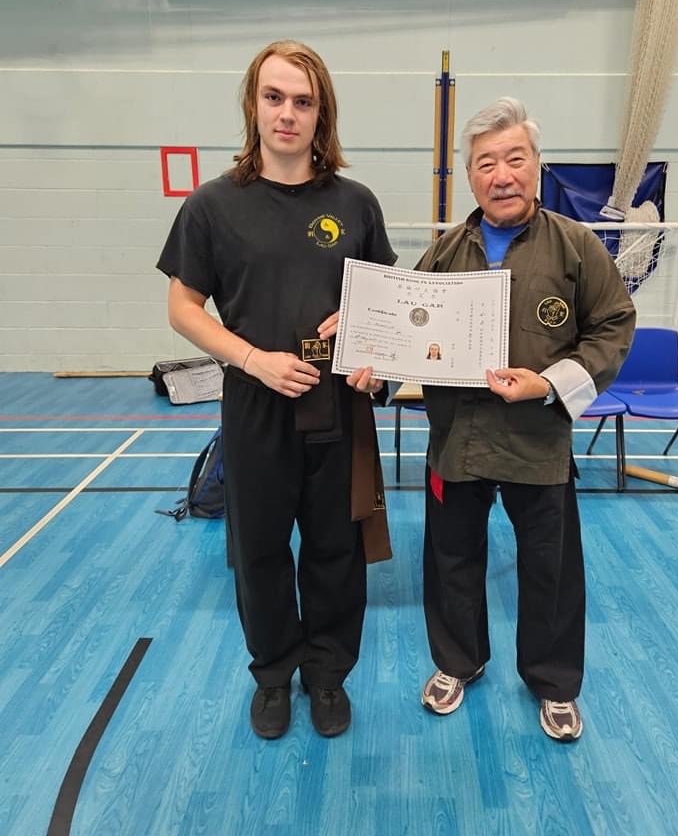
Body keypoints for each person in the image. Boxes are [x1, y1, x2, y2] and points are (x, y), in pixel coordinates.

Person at [157, 40, 396, 740]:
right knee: (258, 551)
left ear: (322, 114)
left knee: (335, 549)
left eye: (303, 101)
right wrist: (253, 360)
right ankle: (273, 674)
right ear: (252, 105)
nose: (287, 113)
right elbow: (183, 307)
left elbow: (381, 299)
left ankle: (327, 676)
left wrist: (362, 328)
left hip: (338, 406)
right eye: (274, 97)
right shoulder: (212, 206)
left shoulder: (354, 202)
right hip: (256, 403)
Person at [415, 97, 635, 741]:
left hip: (538, 442)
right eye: (487, 163)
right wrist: (375, 364)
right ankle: (459, 662)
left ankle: (554, 682)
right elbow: (409, 331)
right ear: (470, 176)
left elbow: (614, 326)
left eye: (515, 158)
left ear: (537, 166)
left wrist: (548, 382)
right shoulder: (444, 253)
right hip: (457, 441)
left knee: (551, 569)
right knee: (451, 558)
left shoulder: (577, 247)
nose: (502, 174)